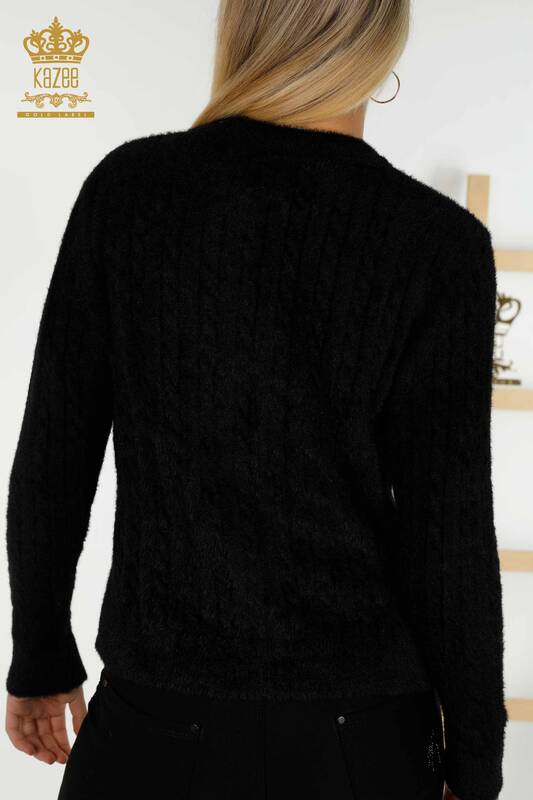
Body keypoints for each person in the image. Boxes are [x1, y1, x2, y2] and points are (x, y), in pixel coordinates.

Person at [4, 1, 507, 799]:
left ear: (241, 30)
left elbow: (53, 456)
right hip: (361, 735)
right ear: (380, 50)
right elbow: (447, 533)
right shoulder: (437, 244)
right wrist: (475, 761)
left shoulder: (130, 194)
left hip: (155, 720)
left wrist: (40, 657)